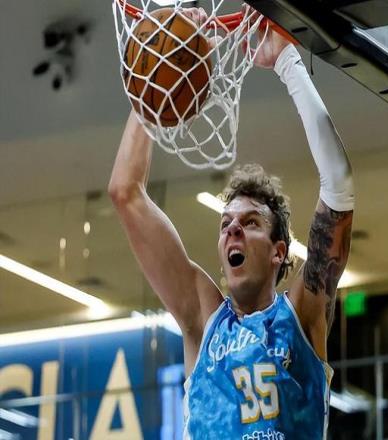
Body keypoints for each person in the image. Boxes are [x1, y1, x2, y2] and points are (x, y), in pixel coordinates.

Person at [108, 8, 354, 440]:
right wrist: (154, 81)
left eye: (250, 222)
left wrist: (287, 62)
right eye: (226, 224)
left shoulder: (301, 314)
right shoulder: (204, 318)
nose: (232, 230)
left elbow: (338, 188)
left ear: (279, 252)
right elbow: (125, 193)